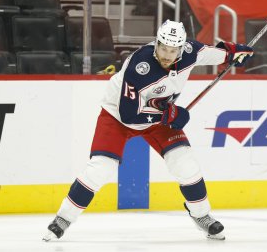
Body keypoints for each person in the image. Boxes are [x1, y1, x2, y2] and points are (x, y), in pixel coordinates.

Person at [42, 20, 253, 241]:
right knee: (100, 168)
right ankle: (63, 219)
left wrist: (233, 54)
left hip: (157, 117)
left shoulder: (190, 51)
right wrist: (168, 115)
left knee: (185, 164)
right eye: (163, 48)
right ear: (157, 43)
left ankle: (202, 216)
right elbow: (129, 115)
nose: (167, 55)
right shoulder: (139, 66)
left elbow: (212, 53)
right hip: (117, 117)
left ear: (181, 49)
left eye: (173, 51)